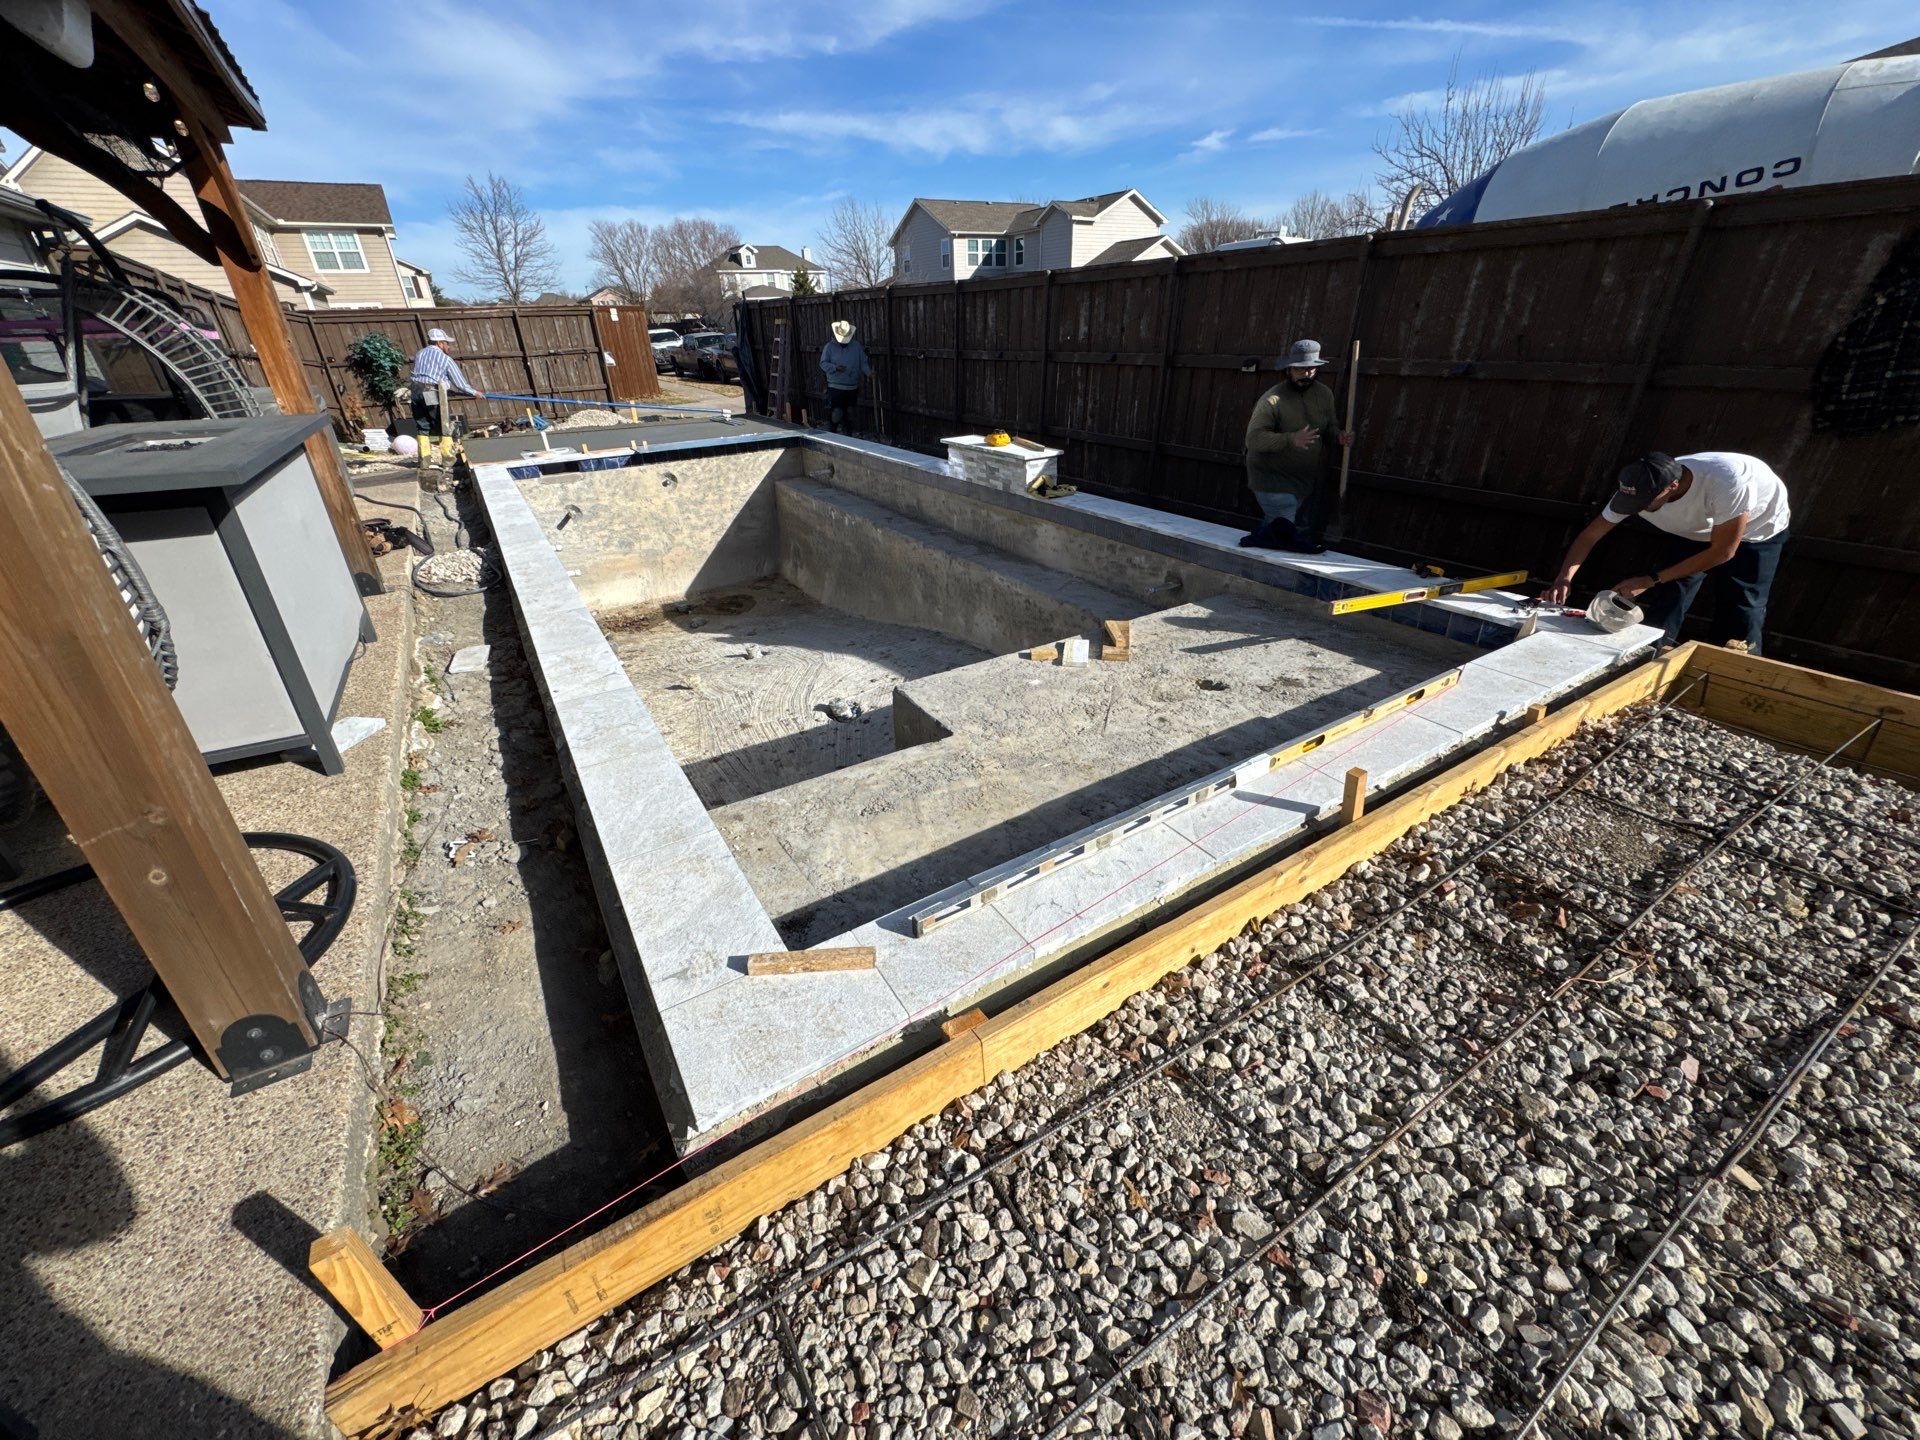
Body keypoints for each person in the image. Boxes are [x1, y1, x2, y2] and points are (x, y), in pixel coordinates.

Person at [1543, 450, 1791, 651]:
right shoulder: (1637, 488)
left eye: (1643, 504)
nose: (1635, 509)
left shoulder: (1727, 482)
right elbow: (1590, 535)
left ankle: (1736, 674)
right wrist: (1564, 578)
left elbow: (1723, 552)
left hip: (1756, 532)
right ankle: (1652, 655)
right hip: (1694, 530)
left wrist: (1650, 579)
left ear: (1672, 486)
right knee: (1670, 594)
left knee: (1742, 606)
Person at [1241, 339, 1352, 554]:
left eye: (1311, 368)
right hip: (1271, 477)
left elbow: (1329, 427)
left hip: (1301, 480)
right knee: (1283, 527)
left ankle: (1251, 549)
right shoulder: (1272, 399)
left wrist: (1339, 436)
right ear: (1289, 369)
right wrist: (1290, 439)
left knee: (1275, 527)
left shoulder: (1324, 395)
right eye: (1300, 369)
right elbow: (1253, 439)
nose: (1306, 374)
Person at [408, 328, 486, 464]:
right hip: (430, 392)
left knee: (422, 426)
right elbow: (460, 383)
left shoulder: (420, 354)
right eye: (446, 343)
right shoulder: (445, 359)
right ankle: (448, 459)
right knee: (443, 425)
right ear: (439, 343)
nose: (448, 346)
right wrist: (475, 393)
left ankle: (424, 461)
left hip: (415, 391)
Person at [818, 318, 870, 434]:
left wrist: (869, 373)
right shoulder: (829, 347)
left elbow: (863, 362)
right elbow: (823, 363)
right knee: (837, 413)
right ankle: (833, 434)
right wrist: (835, 368)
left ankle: (848, 437)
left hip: (852, 387)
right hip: (835, 387)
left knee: (850, 413)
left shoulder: (856, 346)